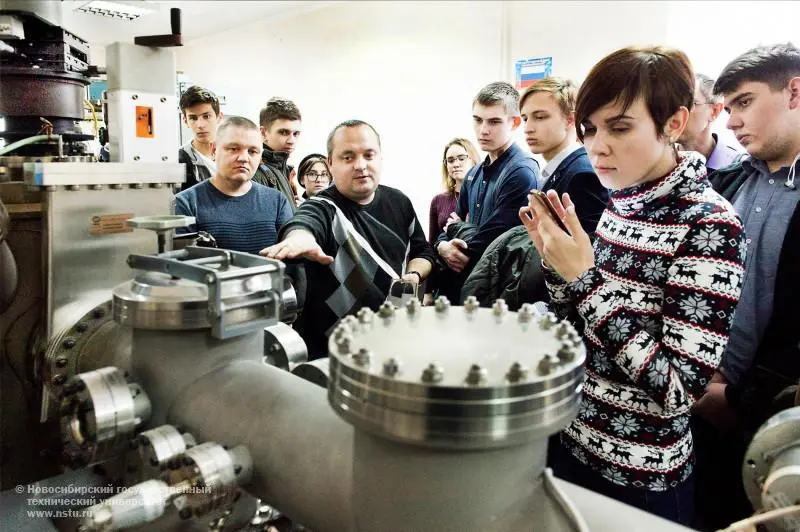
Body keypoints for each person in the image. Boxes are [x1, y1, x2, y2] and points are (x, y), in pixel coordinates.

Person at [519, 46, 745, 526]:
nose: (597, 146)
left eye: (620, 128)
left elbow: (680, 389)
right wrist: (556, 264)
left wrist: (584, 280)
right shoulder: (622, 200)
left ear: (673, 123)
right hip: (573, 440)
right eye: (589, 129)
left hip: (640, 475)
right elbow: (581, 324)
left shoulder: (710, 224)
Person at [691, 42, 800, 531]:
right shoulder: (726, 184)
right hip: (699, 402)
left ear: (793, 92)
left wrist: (739, 399)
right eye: (728, 107)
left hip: (774, 420)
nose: (732, 121)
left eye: (745, 103)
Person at [261, 120, 434, 359]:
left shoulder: (400, 202)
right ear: (330, 163)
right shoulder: (323, 207)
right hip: (334, 351)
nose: (360, 165)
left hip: (391, 340)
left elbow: (422, 252)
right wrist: (299, 238)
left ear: (380, 158)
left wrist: (413, 274)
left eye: (369, 155)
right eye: (348, 157)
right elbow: (304, 222)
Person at [459, 77, 608, 308]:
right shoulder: (557, 171)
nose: (528, 128)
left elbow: (586, 266)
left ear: (570, 119)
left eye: (540, 117)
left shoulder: (581, 174)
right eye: (526, 118)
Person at [434, 82, 540, 302]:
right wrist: (442, 246)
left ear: (514, 123)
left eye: (494, 121)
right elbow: (449, 227)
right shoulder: (473, 174)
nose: (483, 130)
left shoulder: (521, 171)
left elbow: (493, 241)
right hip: (468, 287)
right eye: (478, 120)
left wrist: (457, 229)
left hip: (499, 291)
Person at [175, 116, 293, 255]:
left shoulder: (277, 202)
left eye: (252, 151)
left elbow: (290, 261)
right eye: (233, 149)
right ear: (214, 150)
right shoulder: (186, 203)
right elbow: (182, 263)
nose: (243, 158)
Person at [425, 138, 479, 304]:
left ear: (473, 160)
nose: (456, 164)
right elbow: (431, 245)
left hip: (476, 279)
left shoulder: (482, 197)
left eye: (461, 158)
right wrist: (427, 291)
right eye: (450, 160)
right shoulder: (438, 201)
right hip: (445, 282)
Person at [678, 73, 744, 172]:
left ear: (714, 111)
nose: (674, 112)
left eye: (688, 104)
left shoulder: (741, 168)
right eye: (671, 104)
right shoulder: (658, 165)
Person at [253, 97, 302, 209]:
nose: (291, 141)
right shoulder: (254, 171)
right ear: (263, 133)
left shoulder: (285, 171)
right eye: (284, 132)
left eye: (296, 134)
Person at [178, 86, 223, 191]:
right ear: (185, 121)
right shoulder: (180, 160)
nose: (200, 125)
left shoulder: (234, 154)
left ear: (219, 117)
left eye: (206, 116)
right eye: (193, 118)